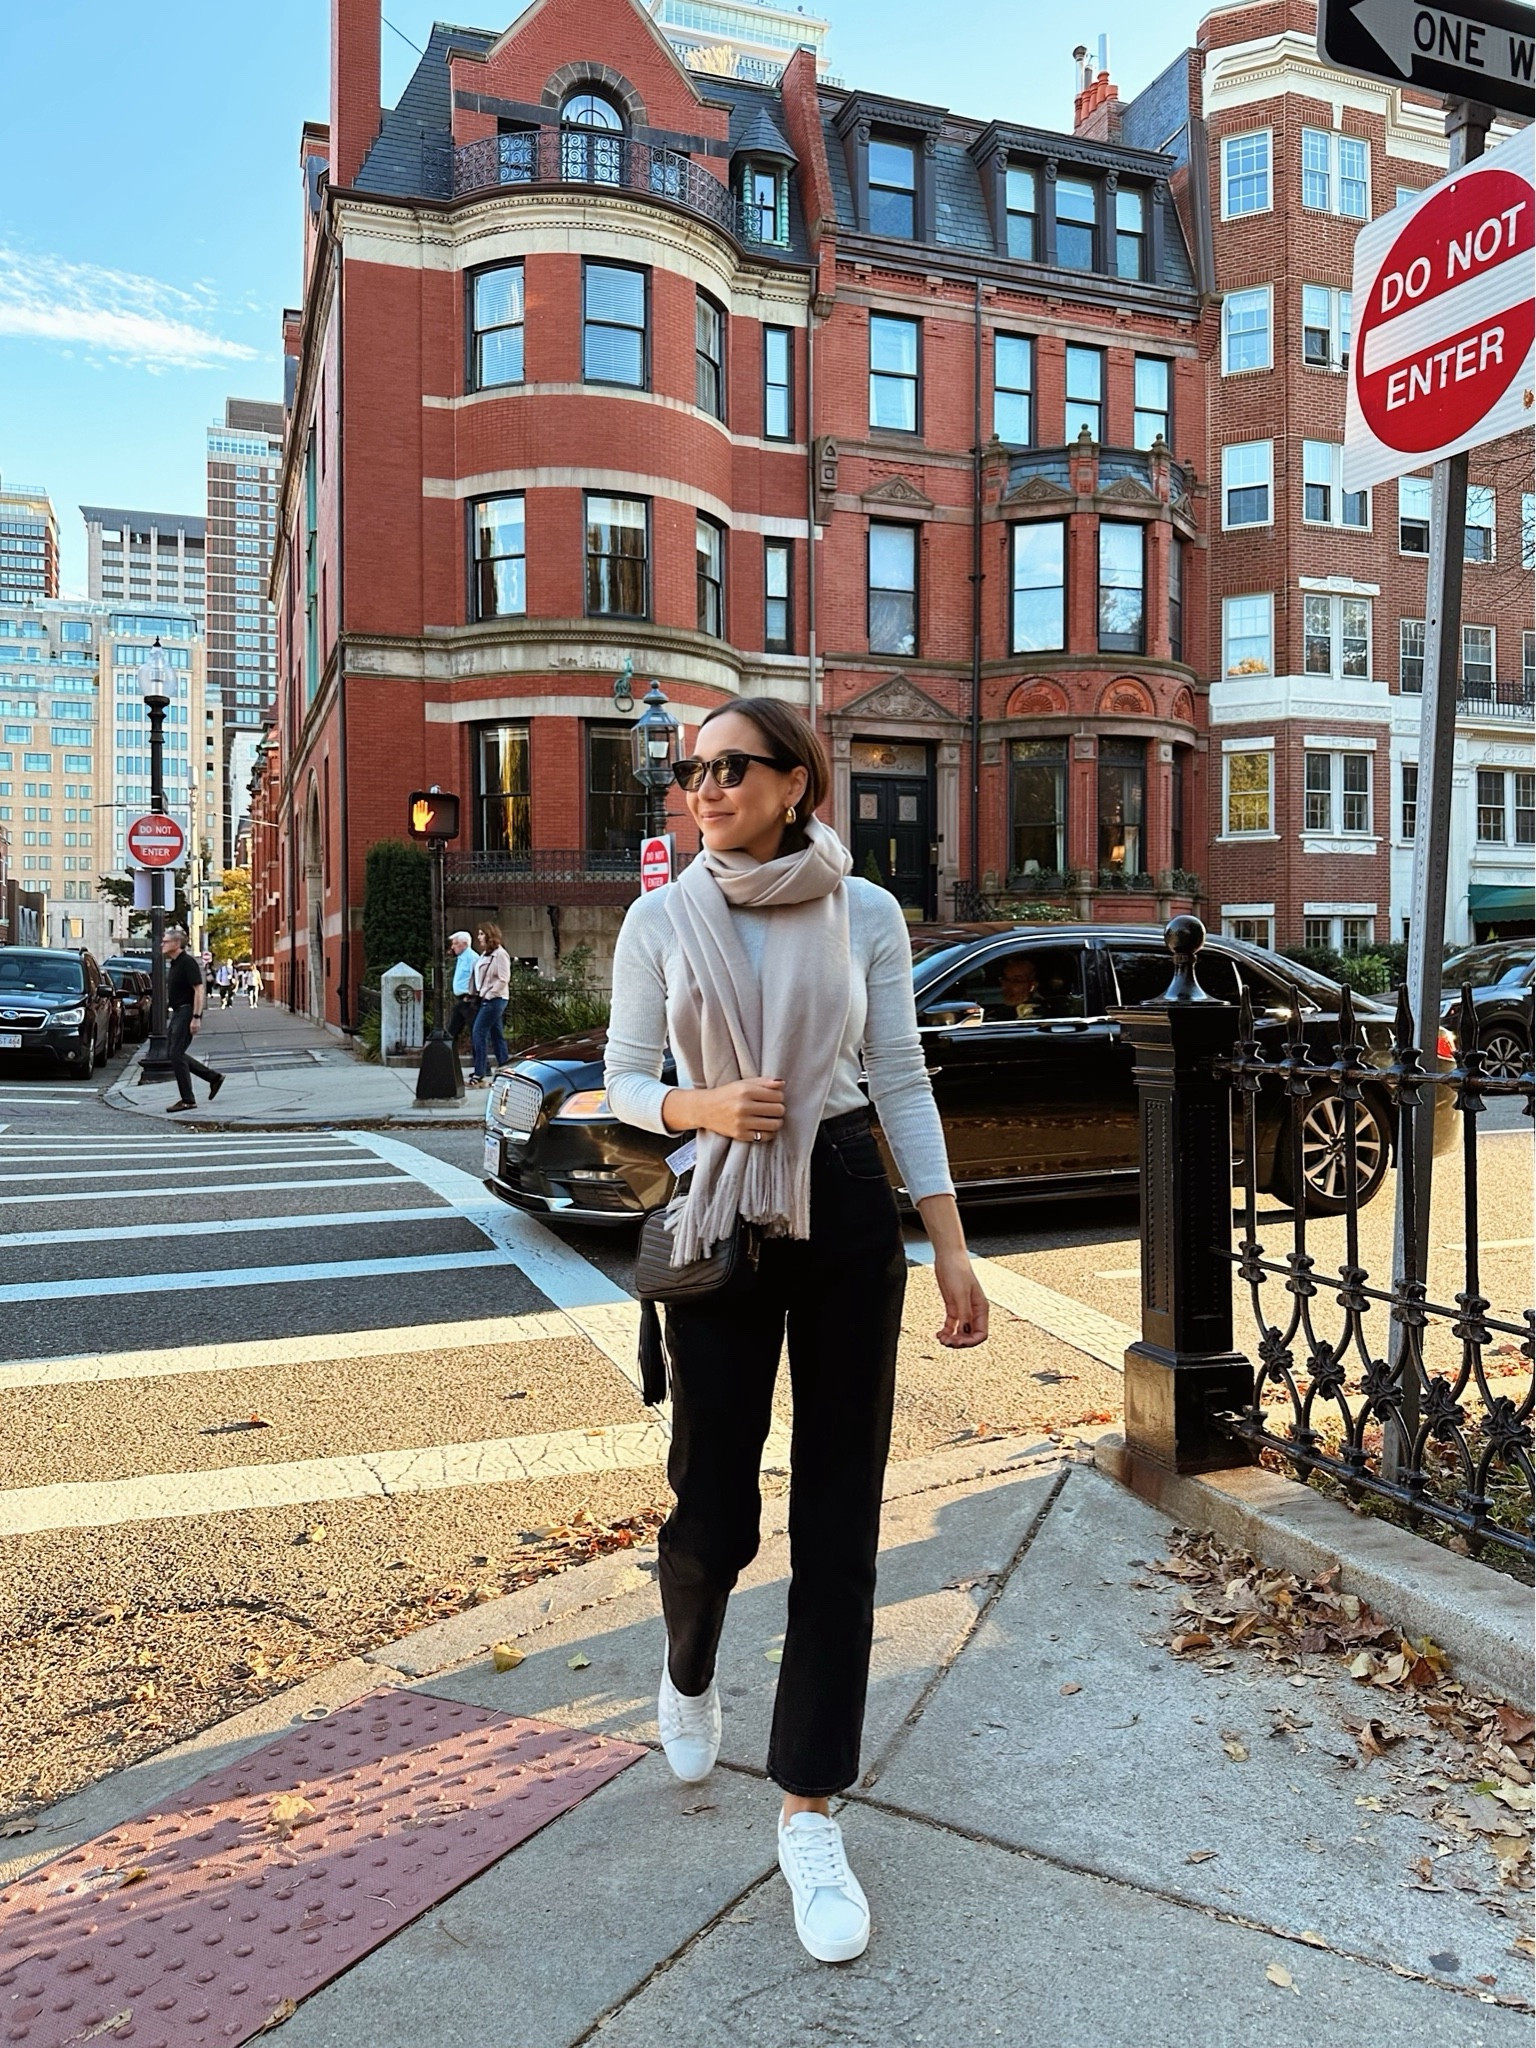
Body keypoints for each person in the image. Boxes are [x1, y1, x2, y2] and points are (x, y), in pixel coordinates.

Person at [604, 698, 988, 1967]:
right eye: (692, 768)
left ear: (795, 783)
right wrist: (700, 1104)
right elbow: (620, 1079)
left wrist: (948, 1241)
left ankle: (810, 1805)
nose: (704, 785)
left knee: (841, 1510)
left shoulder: (863, 911)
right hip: (719, 1204)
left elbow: (903, 1076)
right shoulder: (661, 917)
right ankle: (689, 1657)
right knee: (713, 1501)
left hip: (845, 1196)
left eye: (731, 766)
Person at [163, 927, 225, 1113]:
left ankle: (188, 1100)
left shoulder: (187, 962)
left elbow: (199, 989)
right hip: (178, 1012)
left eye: (166, 941)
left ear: (176, 943)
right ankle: (213, 1078)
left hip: (187, 1011)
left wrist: (196, 1017)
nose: (162, 944)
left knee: (176, 1054)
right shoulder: (175, 963)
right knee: (172, 1053)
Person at [469, 921, 510, 1087]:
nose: (479, 937)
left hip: (495, 999)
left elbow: (503, 978)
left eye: (481, 933)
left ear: (489, 935)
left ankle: (479, 1073)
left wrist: (489, 994)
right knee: (496, 1035)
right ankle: (505, 1069)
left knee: (478, 1032)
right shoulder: (485, 954)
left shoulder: (500, 954)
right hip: (487, 998)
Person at [446, 930, 479, 1057]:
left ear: (464, 944)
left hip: (469, 1000)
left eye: (455, 943)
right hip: (462, 1000)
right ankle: (448, 1059)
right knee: (452, 1031)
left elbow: (477, 978)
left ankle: (482, 1064)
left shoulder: (472, 958)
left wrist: (473, 996)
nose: (453, 947)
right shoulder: (461, 958)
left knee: (474, 1032)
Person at [997, 954, 1040, 1019]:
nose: (1007, 985)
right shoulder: (999, 1012)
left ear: (1032, 986)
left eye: (1017, 980)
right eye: (1005, 979)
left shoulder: (1038, 1015)